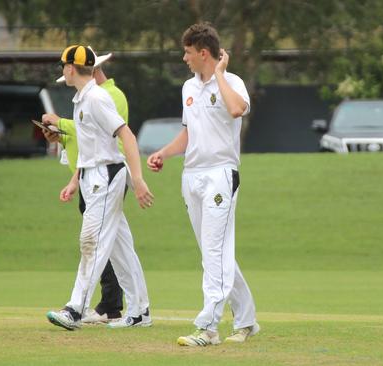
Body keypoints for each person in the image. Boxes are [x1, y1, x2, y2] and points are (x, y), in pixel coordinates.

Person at [146, 23, 259, 346]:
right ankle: (247, 319)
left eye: (188, 52)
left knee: (214, 252)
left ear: (204, 53)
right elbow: (188, 133)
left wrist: (220, 75)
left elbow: (237, 109)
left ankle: (208, 327)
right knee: (214, 252)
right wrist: (164, 154)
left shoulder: (232, 82)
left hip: (221, 174)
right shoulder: (187, 88)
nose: (185, 58)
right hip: (191, 177)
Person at [44, 45, 154, 330]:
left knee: (90, 242)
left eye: (63, 66)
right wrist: (74, 180)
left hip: (105, 176)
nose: (62, 71)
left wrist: (138, 179)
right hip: (93, 175)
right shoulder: (82, 99)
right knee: (120, 248)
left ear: (71, 68)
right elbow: (88, 146)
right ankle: (140, 311)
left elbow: (126, 136)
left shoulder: (96, 98)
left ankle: (74, 310)